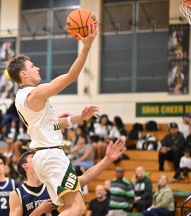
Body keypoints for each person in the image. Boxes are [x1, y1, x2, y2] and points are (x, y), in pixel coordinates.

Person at [7, 24, 98, 215]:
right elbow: (69, 77)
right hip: (51, 156)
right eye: (32, 66)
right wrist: (87, 47)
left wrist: (80, 118)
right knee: (77, 207)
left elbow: (56, 124)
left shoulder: (24, 98)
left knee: (71, 208)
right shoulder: (34, 94)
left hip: (44, 156)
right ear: (23, 74)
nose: (37, 68)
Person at [9, 139, 125, 216]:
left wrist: (107, 159)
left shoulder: (54, 183)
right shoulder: (17, 194)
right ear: (25, 166)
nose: (40, 158)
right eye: (34, 157)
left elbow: (85, 177)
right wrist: (39, 211)